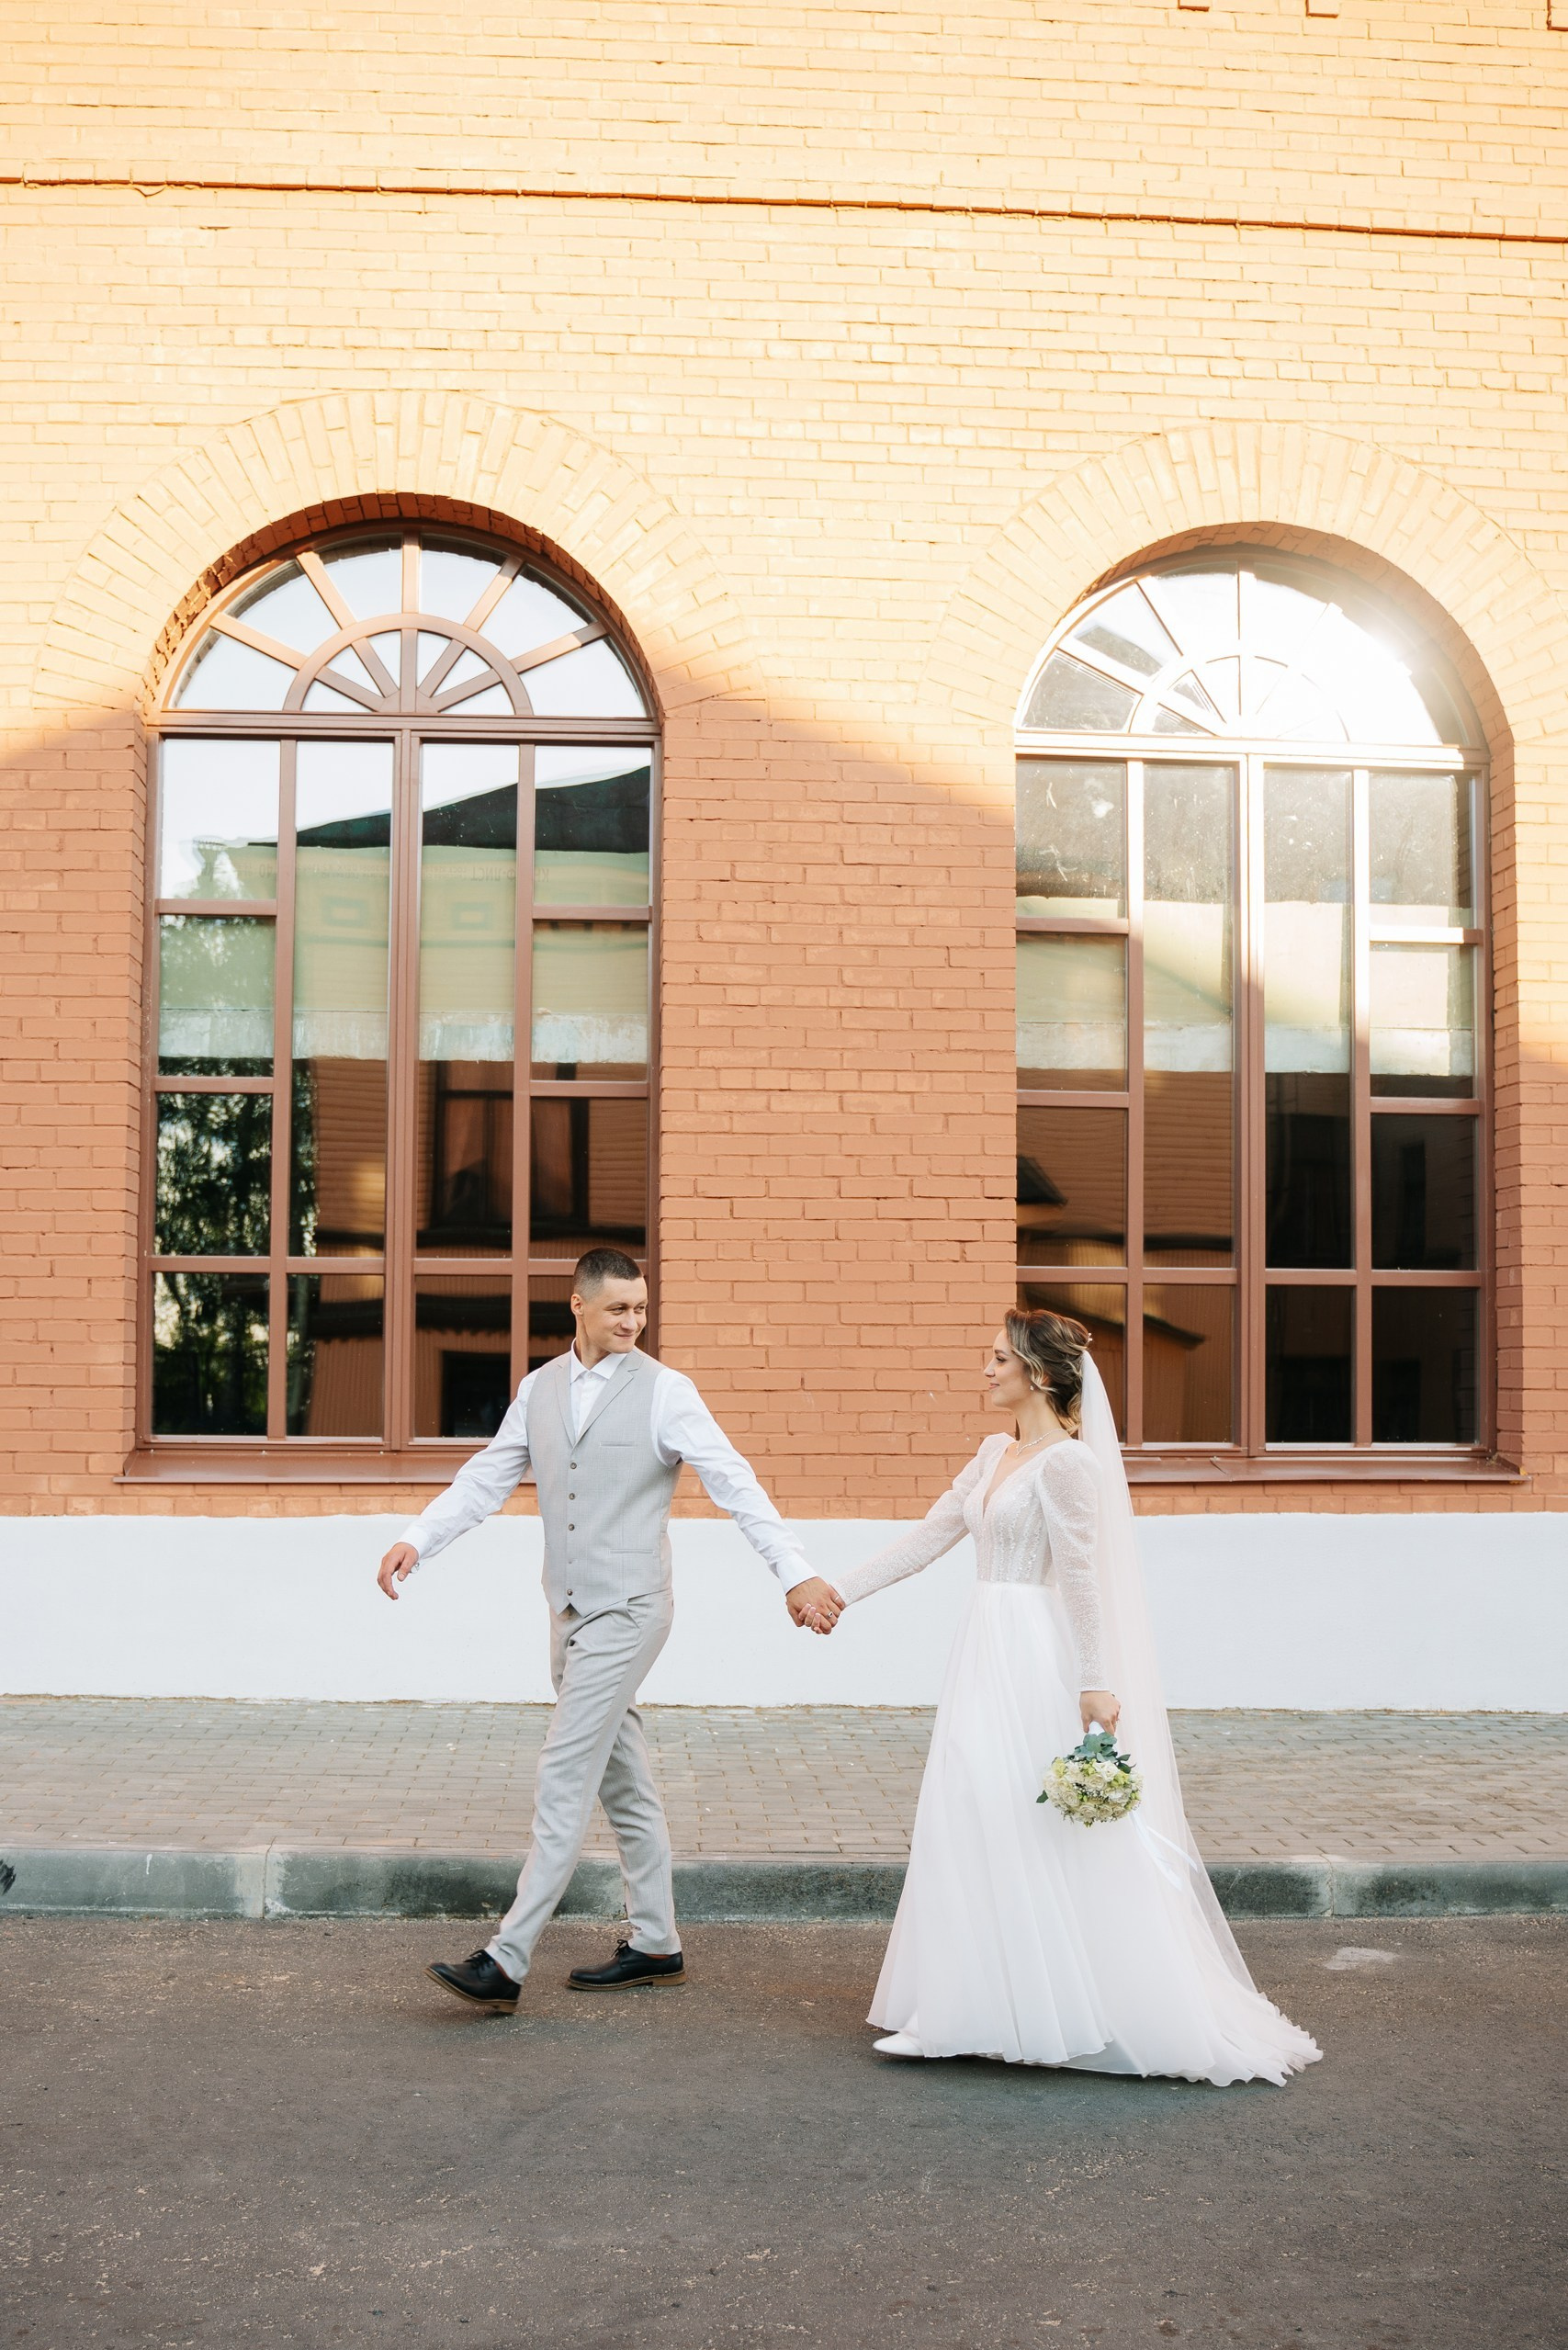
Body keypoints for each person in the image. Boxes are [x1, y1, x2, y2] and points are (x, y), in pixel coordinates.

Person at [803, 1308, 1322, 2085]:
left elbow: (1081, 1577)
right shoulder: (993, 1452)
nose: (984, 1371)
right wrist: (836, 1592)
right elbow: (929, 1537)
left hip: (1030, 1653)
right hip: (981, 1647)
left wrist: (1094, 1680)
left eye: (998, 1359)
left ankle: (1049, 2007)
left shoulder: (1069, 1465)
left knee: (1020, 1816)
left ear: (1039, 1375)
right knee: (966, 1809)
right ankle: (962, 2008)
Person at [376, 1247, 841, 2013]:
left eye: (641, 1308)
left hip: (629, 1609)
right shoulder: (539, 1388)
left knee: (564, 1772)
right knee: (622, 1778)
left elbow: (734, 1482)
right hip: (567, 1608)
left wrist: (794, 1572)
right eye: (619, 1308)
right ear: (579, 1305)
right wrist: (419, 1537)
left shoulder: (667, 1392)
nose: (633, 1321)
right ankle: (656, 1944)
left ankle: (505, 1960)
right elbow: (488, 1475)